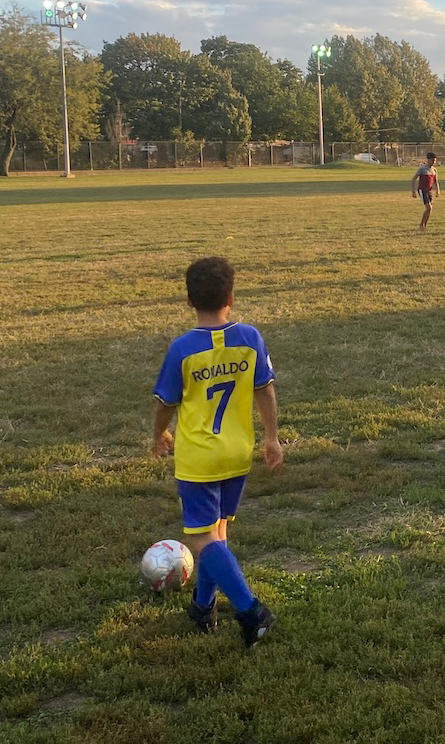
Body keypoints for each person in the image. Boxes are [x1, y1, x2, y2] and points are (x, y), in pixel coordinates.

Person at [151, 256, 283, 647]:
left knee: (202, 540)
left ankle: (250, 610)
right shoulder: (250, 338)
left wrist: (158, 435)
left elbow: (165, 403)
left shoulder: (182, 349)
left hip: (199, 459)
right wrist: (272, 437)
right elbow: (266, 390)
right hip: (237, 452)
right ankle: (202, 606)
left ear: (189, 301)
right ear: (232, 296)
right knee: (218, 532)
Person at [411, 152, 440, 232]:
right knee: (428, 208)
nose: (433, 162)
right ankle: (421, 225)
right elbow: (413, 179)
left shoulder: (434, 170)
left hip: (429, 191)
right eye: (432, 160)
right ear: (428, 160)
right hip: (422, 190)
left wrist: (437, 190)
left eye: (435, 161)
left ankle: (424, 226)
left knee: (430, 209)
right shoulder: (422, 169)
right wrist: (413, 191)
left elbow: (435, 181)